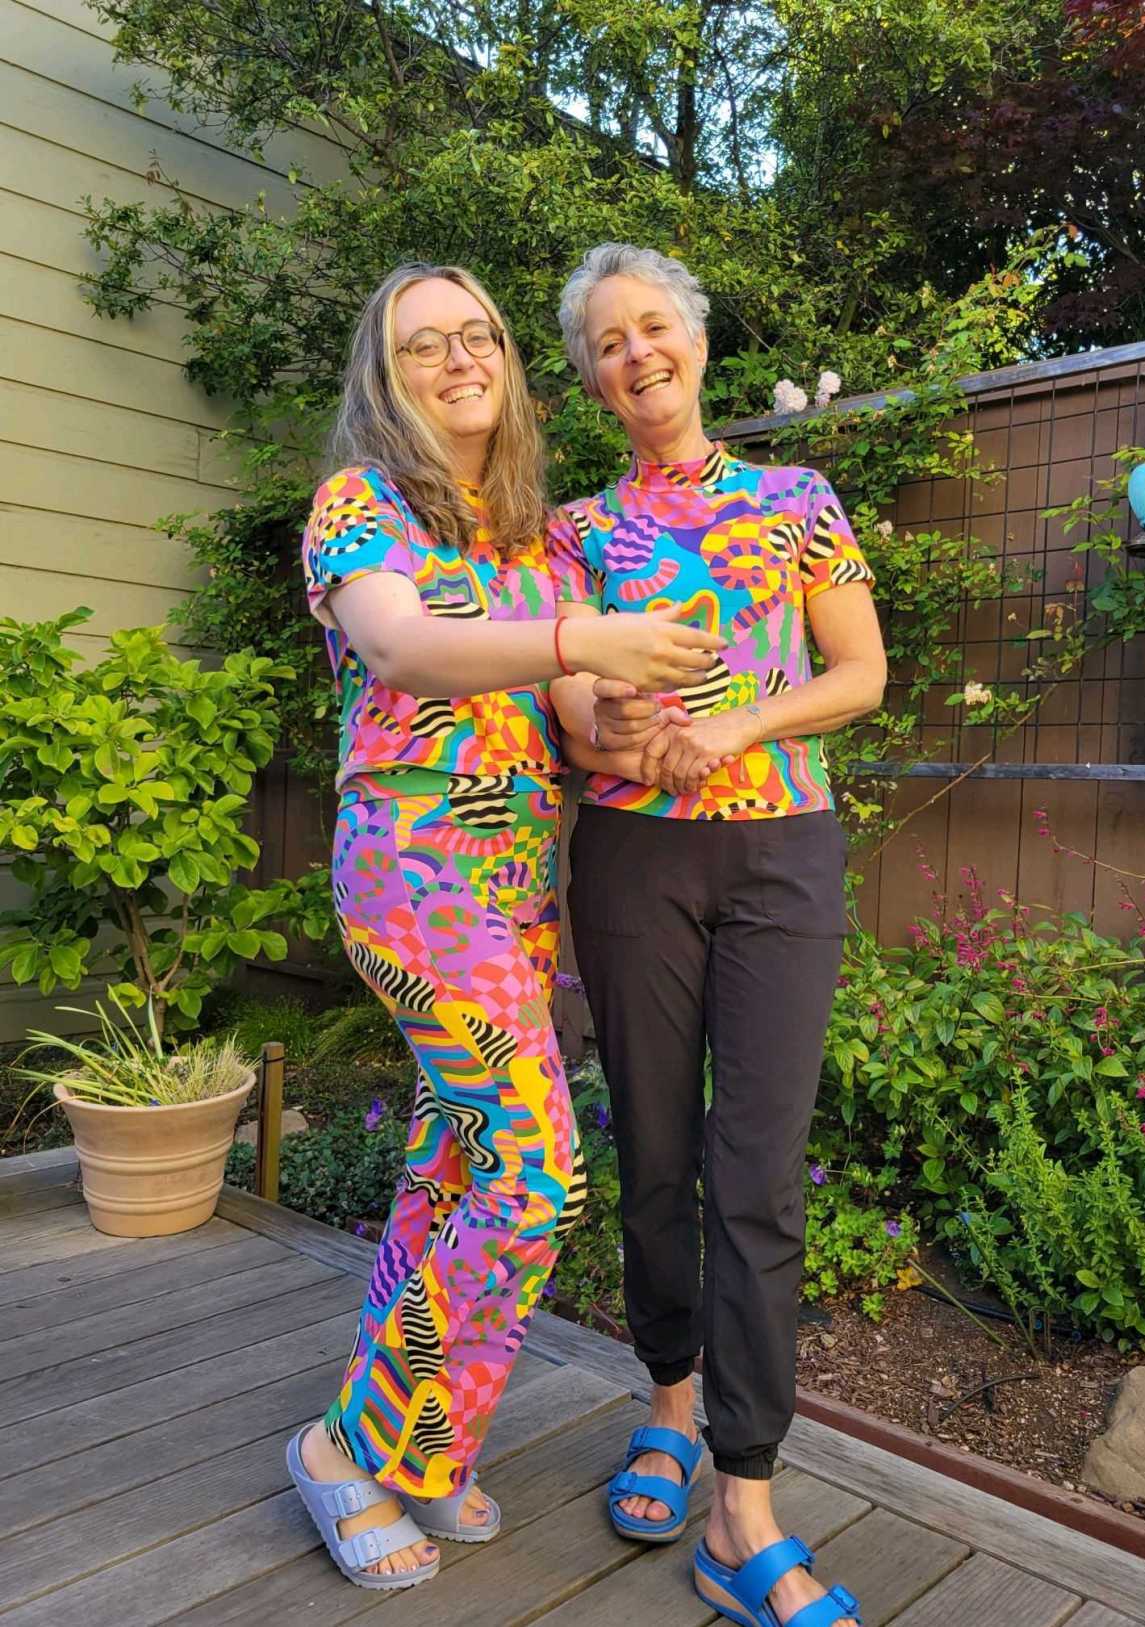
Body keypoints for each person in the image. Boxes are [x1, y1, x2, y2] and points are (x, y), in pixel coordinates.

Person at [289, 260, 726, 1591]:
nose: (460, 356)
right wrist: (586, 638)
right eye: (426, 343)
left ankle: (417, 1436)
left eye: (477, 335)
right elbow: (411, 650)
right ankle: (354, 1449)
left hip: (515, 889)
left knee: (453, 1172)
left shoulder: (530, 541)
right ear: (388, 373)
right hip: (415, 877)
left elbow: (570, 712)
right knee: (537, 1176)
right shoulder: (359, 506)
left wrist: (643, 711)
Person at [548, 243, 887, 1627]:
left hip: (781, 852)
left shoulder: (797, 499)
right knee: (657, 1157)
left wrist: (740, 722)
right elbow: (562, 699)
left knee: (757, 1175)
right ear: (590, 379)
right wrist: (609, 720)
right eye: (607, 345)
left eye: (652, 328)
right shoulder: (569, 534)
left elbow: (860, 671)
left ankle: (743, 1499)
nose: (636, 355)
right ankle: (670, 1408)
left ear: (693, 338)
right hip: (632, 858)